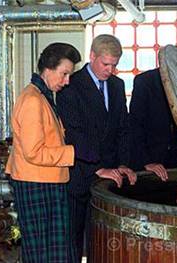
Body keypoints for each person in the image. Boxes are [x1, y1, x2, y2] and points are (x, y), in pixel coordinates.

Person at [56, 34, 136, 262]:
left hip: (109, 179)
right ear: (92, 56)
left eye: (114, 65)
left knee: (102, 243)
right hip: (79, 176)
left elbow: (122, 128)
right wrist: (97, 168)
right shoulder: (71, 85)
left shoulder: (118, 85)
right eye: (105, 64)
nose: (110, 70)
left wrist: (123, 164)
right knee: (73, 244)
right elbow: (74, 133)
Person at [5, 42, 81, 262]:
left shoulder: (41, 95)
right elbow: (33, 152)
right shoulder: (32, 100)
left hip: (44, 182)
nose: (67, 81)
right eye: (64, 74)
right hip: (36, 184)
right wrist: (72, 153)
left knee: (53, 254)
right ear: (48, 68)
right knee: (42, 255)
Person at [129, 46, 177, 181]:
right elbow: (134, 125)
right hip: (148, 160)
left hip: (174, 159)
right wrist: (146, 161)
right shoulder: (145, 82)